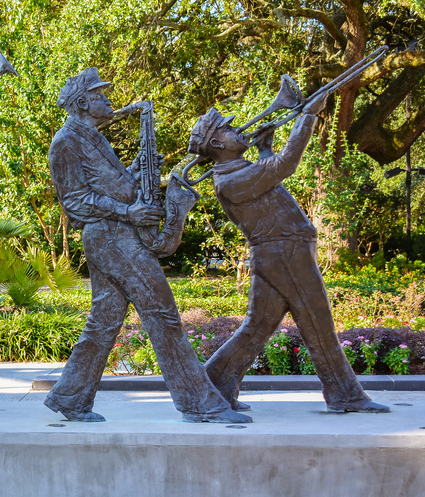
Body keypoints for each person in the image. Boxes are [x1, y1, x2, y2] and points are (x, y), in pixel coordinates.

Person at [45, 67, 249, 423]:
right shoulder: (66, 142)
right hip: (111, 237)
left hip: (114, 235)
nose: (107, 100)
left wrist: (135, 173)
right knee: (163, 315)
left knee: (103, 322)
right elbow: (75, 201)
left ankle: (71, 398)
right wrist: (129, 211)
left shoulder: (92, 137)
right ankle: (199, 404)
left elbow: (103, 184)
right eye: (100, 95)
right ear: (81, 102)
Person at [189, 96, 389, 414]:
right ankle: (344, 394)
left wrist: (265, 148)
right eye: (228, 128)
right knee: (318, 322)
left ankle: (212, 387)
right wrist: (308, 114)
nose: (237, 127)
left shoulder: (240, 171)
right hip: (284, 254)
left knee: (257, 327)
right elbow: (285, 166)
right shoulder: (230, 181)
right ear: (216, 142)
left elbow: (271, 172)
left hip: (283, 252)